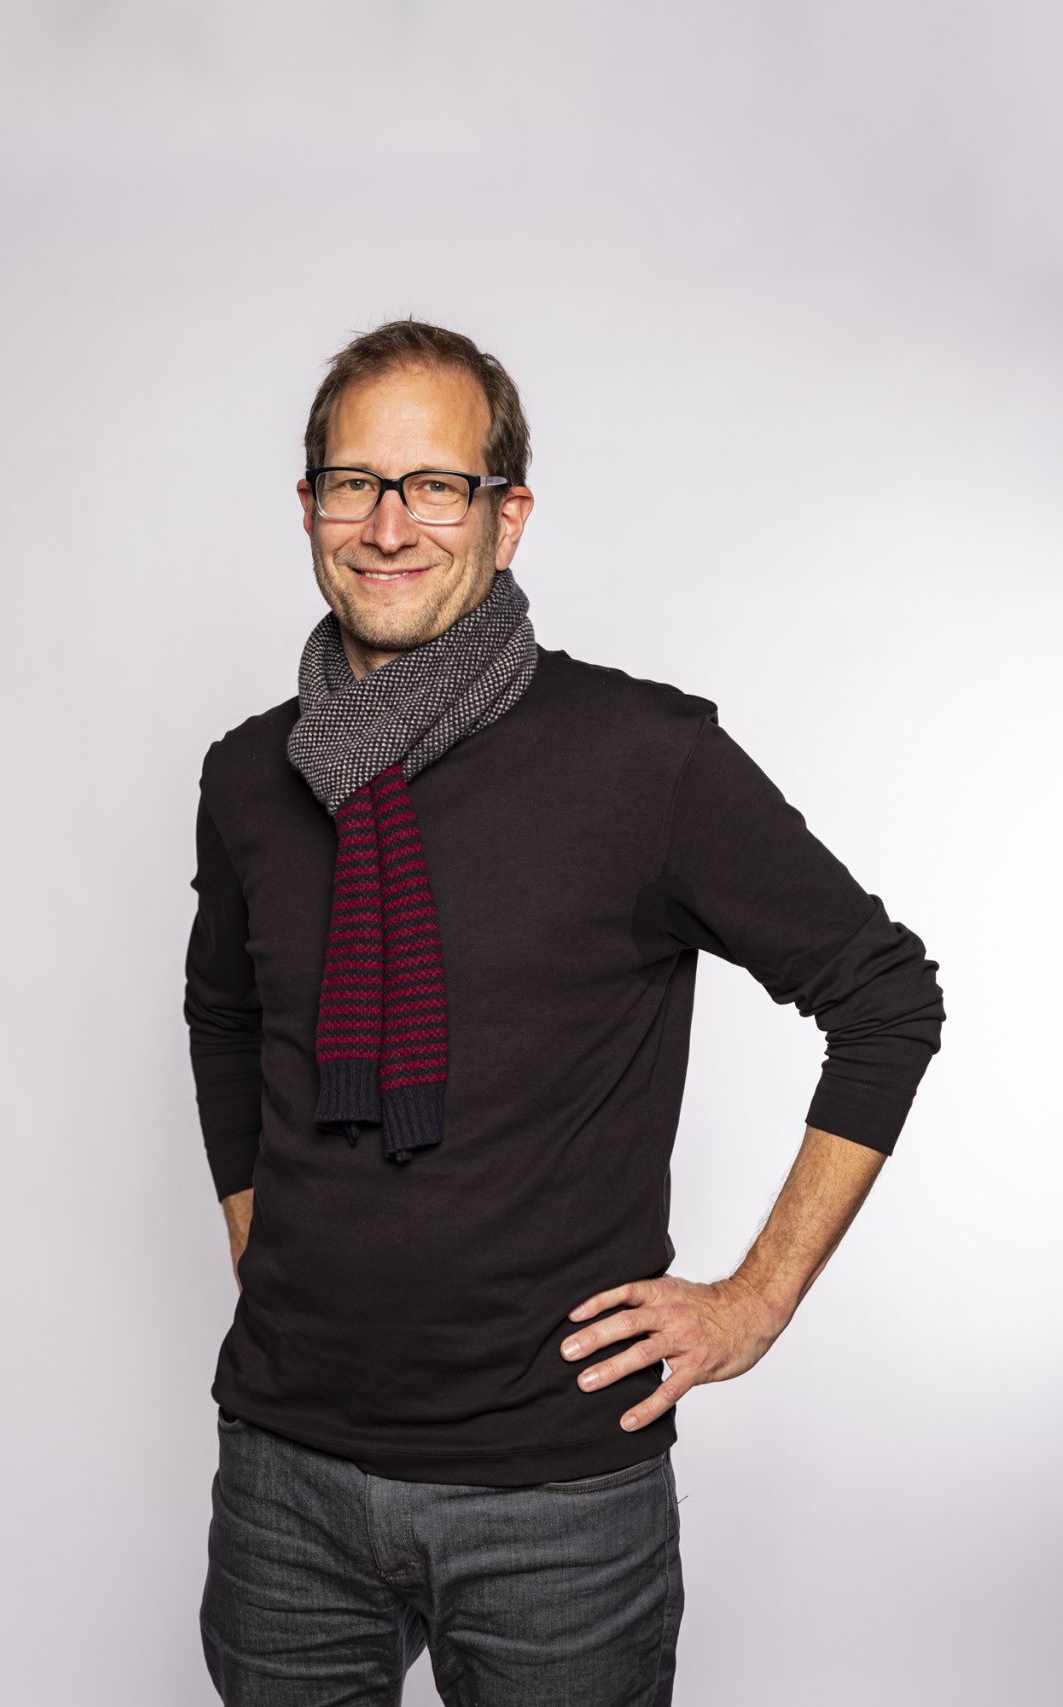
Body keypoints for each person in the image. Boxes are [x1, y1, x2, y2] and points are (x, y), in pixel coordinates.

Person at [184, 319, 944, 1707]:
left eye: (436, 484)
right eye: (355, 482)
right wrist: (260, 1235)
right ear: (308, 509)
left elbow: (884, 999)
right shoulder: (249, 779)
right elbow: (224, 1019)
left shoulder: (645, 761)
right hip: (284, 1480)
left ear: (506, 515)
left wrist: (756, 1301)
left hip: (555, 1510)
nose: (390, 522)